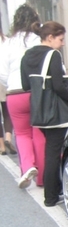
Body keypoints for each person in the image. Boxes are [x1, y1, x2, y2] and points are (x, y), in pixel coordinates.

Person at [21, 21, 68, 207]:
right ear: (51, 38)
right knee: (53, 153)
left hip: (38, 110)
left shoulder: (28, 55)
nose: (62, 43)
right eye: (60, 39)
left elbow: (25, 85)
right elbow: (58, 86)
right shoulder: (53, 55)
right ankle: (51, 195)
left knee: (50, 151)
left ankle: (55, 189)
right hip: (55, 112)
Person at [0, 3, 43, 188]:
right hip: (35, 92)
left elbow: (1, 72)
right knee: (38, 132)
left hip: (15, 93)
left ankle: (26, 167)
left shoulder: (8, 43)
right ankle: (43, 176)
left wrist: (11, 82)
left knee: (22, 134)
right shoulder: (38, 40)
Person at [0, 18, 16, 156]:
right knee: (7, 111)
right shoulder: (6, 41)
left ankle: (1, 146)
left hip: (3, 76)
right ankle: (8, 137)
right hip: (5, 79)